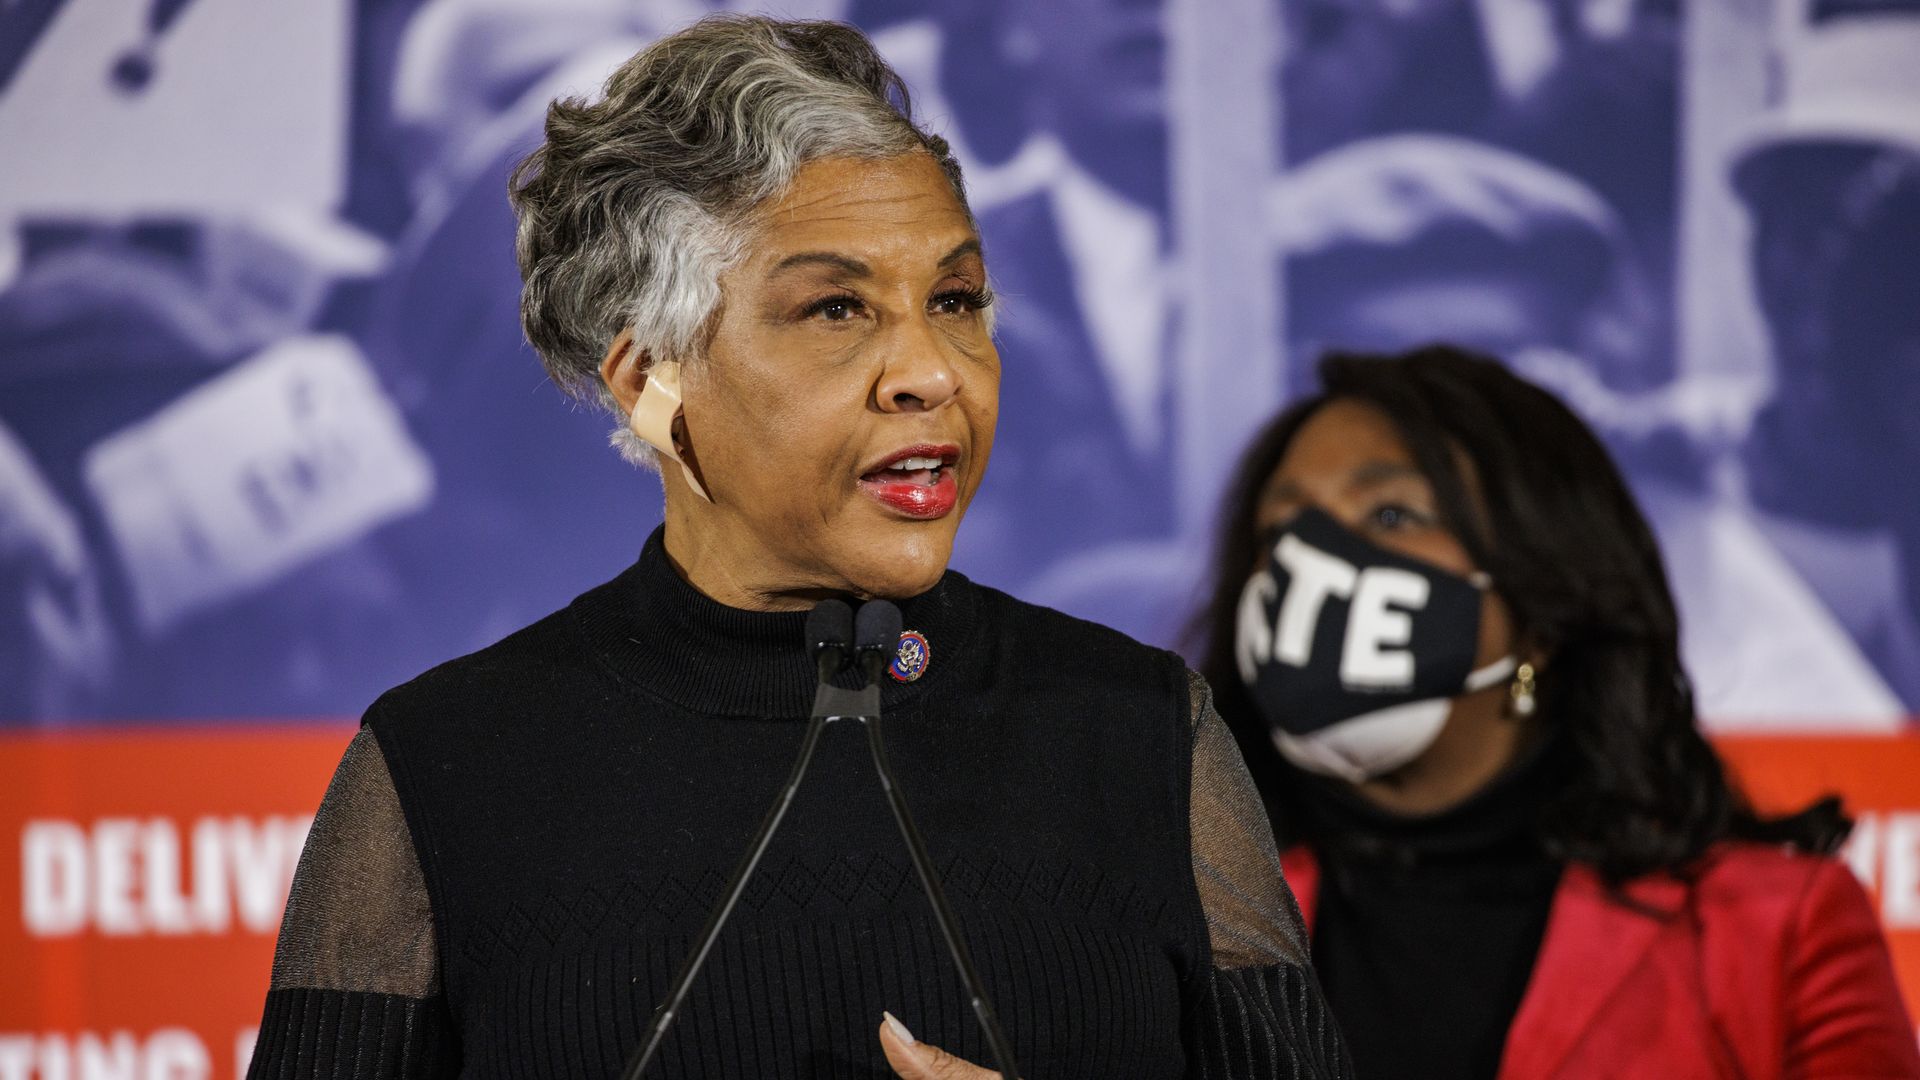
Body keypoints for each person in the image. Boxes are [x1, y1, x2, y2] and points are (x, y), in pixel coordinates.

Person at [245, 15, 1350, 1080]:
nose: (934, 373)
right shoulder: (443, 762)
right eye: (836, 309)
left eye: (956, 298)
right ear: (649, 385)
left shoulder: (1145, 734)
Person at [1192, 346, 1920, 1079]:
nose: (1312, 568)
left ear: (1542, 603)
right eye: (1280, 532)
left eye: (1390, 513)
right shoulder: (1170, 909)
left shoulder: (1779, 935)